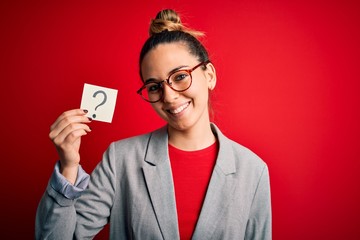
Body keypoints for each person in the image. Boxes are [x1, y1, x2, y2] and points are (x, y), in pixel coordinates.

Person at [35, 9, 271, 240]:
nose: (168, 97)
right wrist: (68, 167)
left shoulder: (253, 170)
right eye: (154, 86)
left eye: (180, 76)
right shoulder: (121, 160)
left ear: (209, 75)